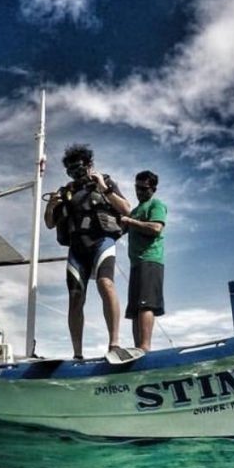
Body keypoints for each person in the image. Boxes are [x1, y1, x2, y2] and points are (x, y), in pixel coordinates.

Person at [45, 144, 131, 359]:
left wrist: (104, 187)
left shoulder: (106, 182)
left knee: (106, 283)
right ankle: (77, 354)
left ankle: (114, 343)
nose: (76, 174)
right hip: (77, 247)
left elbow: (127, 209)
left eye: (80, 169)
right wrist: (51, 205)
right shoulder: (66, 192)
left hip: (101, 241)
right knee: (75, 297)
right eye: (71, 171)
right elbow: (49, 223)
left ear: (90, 165)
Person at [120, 170, 166, 351]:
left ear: (153, 189)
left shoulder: (156, 204)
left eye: (143, 188)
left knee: (146, 304)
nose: (139, 192)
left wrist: (130, 222)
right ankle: (137, 348)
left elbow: (156, 228)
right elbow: (120, 230)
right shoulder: (134, 211)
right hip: (135, 264)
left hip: (151, 260)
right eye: (136, 187)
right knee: (133, 310)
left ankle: (145, 347)